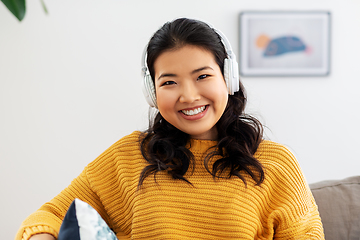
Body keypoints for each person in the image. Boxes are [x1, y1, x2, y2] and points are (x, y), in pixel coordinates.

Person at [16, 18, 324, 240]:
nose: (188, 96)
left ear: (227, 78)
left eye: (202, 76)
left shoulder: (275, 163)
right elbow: (50, 214)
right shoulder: (128, 156)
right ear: (152, 93)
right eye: (169, 82)